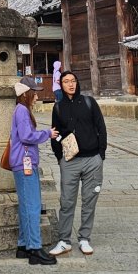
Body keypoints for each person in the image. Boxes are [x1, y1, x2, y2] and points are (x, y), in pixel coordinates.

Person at [48, 70, 107, 257]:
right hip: (70, 162)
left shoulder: (89, 102)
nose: (71, 84)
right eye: (66, 81)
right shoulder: (58, 107)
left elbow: (101, 127)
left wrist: (101, 154)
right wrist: (60, 158)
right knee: (66, 201)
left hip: (92, 159)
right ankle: (64, 240)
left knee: (89, 200)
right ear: (61, 85)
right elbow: (54, 134)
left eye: (73, 81)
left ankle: (84, 238)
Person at [10, 81, 59, 265]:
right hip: (24, 163)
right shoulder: (22, 111)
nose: (37, 96)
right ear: (25, 94)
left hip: (22, 163)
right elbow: (26, 136)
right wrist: (47, 134)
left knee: (26, 205)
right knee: (32, 205)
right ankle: (34, 248)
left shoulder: (20, 110)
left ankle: (23, 245)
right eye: (34, 93)